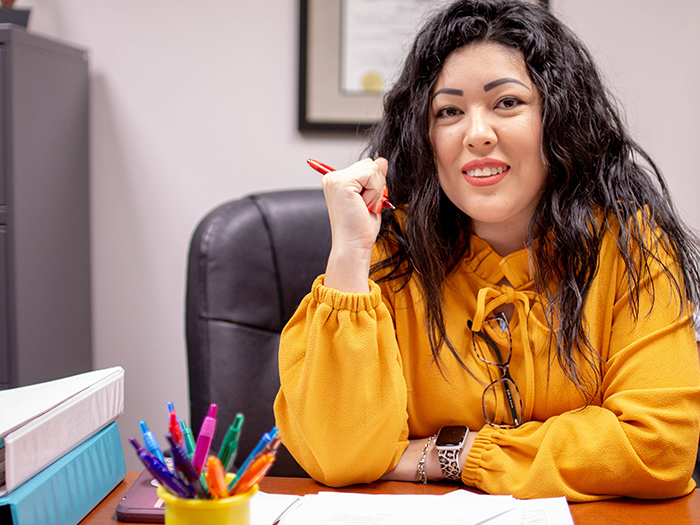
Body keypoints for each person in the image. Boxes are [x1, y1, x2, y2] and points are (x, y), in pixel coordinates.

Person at [274, 0, 700, 502]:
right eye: (449, 111)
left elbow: (658, 446)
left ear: (558, 118)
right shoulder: (389, 253)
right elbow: (339, 455)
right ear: (426, 136)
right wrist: (349, 251)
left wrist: (452, 454)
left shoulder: (632, 248)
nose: (476, 134)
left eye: (507, 103)